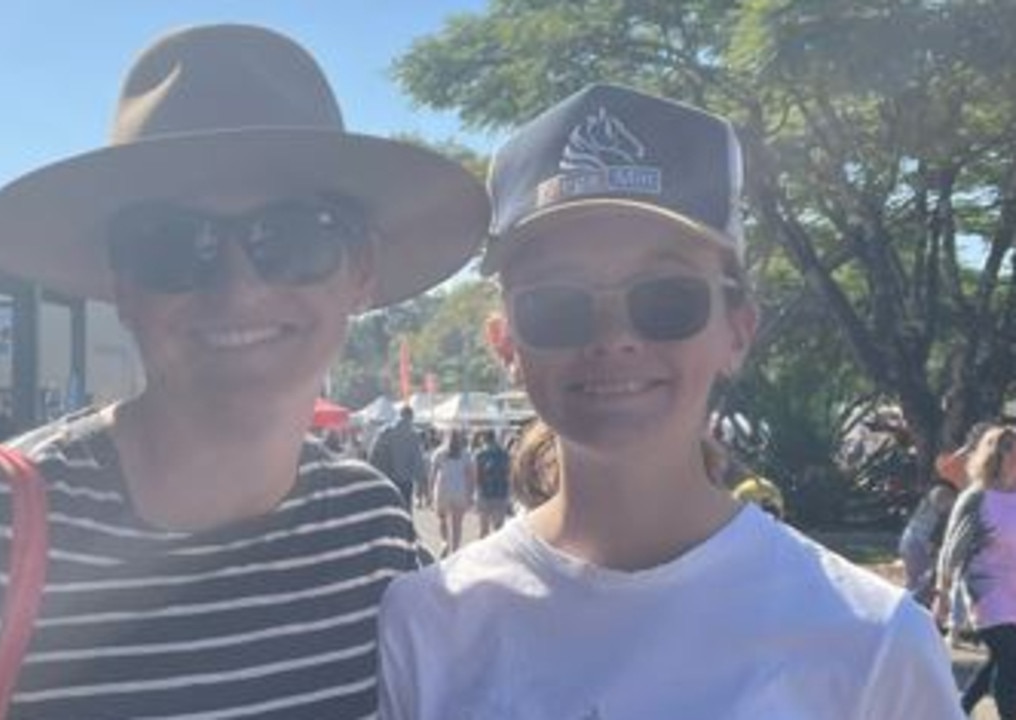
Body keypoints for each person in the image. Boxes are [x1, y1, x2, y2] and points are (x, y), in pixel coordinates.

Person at [0, 24, 487, 719]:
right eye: (173, 245)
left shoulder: (371, 532)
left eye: (293, 237)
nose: (238, 289)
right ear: (121, 285)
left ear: (361, 272)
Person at [378, 83, 962, 718]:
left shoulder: (870, 642)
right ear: (506, 344)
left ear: (737, 329)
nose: (614, 338)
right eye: (556, 303)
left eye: (665, 297)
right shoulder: (428, 618)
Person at [935, 425, 1016, 718]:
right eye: (1007, 446)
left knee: (1001, 658)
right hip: (986, 589)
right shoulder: (977, 497)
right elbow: (951, 548)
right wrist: (942, 593)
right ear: (993, 454)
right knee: (1011, 658)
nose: (1014, 452)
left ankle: (958, 710)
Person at [900, 421, 991, 609]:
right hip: (924, 538)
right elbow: (946, 501)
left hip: (921, 536)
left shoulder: (960, 462)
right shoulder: (960, 465)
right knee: (923, 590)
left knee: (923, 590)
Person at [368, 405, 428, 508]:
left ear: (400, 414)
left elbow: (373, 453)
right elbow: (418, 461)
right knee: (405, 509)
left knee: (389, 507)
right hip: (405, 480)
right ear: (411, 417)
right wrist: (422, 480)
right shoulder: (413, 435)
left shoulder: (385, 431)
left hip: (387, 477)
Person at [429, 429, 476, 556]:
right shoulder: (466, 454)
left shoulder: (438, 452)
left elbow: (432, 474)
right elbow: (471, 476)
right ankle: (455, 549)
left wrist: (429, 491)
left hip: (442, 489)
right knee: (457, 523)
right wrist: (471, 494)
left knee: (442, 519)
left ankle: (445, 542)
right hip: (459, 490)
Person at [473, 428, 511, 536]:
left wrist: (475, 494)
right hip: (501, 493)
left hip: (484, 494)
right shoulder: (504, 454)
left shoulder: (479, 455)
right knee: (499, 529)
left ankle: (483, 551)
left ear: (483, 439)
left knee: (483, 529)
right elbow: (508, 474)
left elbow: (476, 476)